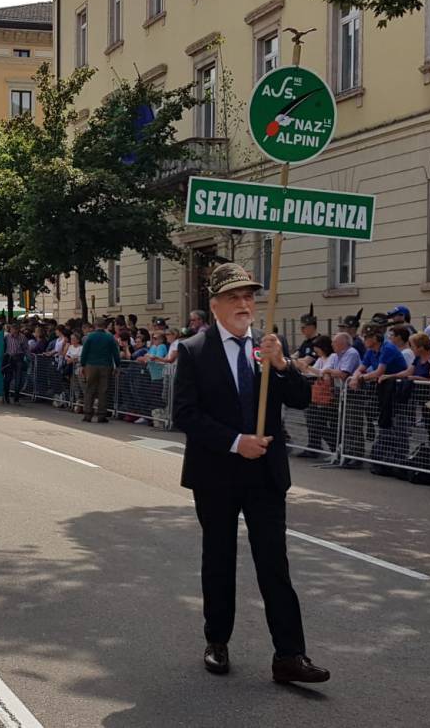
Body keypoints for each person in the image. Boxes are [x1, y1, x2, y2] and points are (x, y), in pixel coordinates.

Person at [173, 262, 328, 685]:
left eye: (249, 296)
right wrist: (234, 441)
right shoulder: (194, 350)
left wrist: (282, 366)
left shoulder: (269, 345)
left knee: (274, 563)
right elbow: (184, 413)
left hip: (265, 474)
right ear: (216, 305)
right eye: (234, 297)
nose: (244, 304)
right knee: (219, 559)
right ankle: (217, 641)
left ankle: (290, 655)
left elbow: (300, 400)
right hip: (216, 472)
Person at [80, 317, 121, 423]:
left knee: (90, 389)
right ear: (105, 326)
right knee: (103, 390)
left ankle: (87, 414)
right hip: (105, 365)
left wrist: (82, 365)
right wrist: (118, 365)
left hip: (91, 365)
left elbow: (84, 352)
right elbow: (115, 353)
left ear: (95, 325)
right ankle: (101, 415)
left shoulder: (90, 337)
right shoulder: (109, 337)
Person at [2, 324, 28, 404]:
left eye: (14, 330)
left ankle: (16, 398)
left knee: (18, 379)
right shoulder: (7, 337)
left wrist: (28, 358)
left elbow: (26, 348)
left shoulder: (22, 337)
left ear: (17, 330)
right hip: (9, 358)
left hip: (18, 358)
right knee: (7, 379)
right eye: (11, 330)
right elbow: (3, 346)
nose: (12, 332)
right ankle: (6, 396)